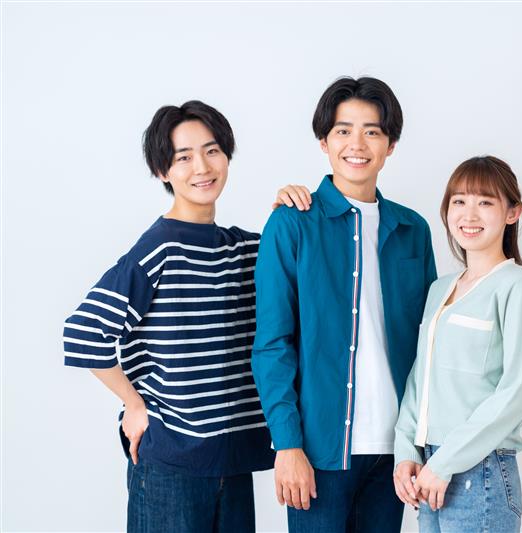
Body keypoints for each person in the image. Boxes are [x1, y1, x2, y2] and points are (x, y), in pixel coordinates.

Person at [62, 100, 274, 533]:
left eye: (212, 151)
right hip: (170, 470)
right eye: (184, 157)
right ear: (163, 170)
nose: (202, 167)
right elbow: (84, 331)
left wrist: (292, 205)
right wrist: (133, 403)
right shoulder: (159, 249)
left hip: (232, 463)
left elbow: (295, 255)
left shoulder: (243, 249)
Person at [252, 76, 437, 533]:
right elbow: (273, 343)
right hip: (320, 451)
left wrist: (424, 443)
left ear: (390, 144)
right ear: (324, 141)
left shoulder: (413, 229)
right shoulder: (292, 223)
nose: (357, 144)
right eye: (343, 130)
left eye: (372, 131)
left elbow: (431, 343)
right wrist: (286, 444)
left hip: (396, 453)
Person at [392, 156, 522, 533]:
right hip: (429, 470)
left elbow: (515, 394)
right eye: (459, 201)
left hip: (481, 473)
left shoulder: (518, 287)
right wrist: (406, 450)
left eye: (485, 202)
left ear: (512, 213)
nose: (469, 214)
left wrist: (445, 462)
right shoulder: (439, 289)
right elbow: (420, 380)